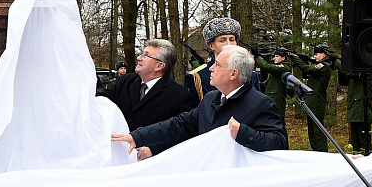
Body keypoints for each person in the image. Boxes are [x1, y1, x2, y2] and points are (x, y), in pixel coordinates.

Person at [112, 45, 287, 158]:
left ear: (234, 74)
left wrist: (243, 133)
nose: (210, 68)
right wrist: (138, 136)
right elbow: (179, 125)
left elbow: (279, 144)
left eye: (217, 65)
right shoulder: (211, 98)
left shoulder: (261, 103)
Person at [98, 39, 194, 158]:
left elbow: (183, 132)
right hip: (116, 154)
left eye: (146, 55)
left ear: (159, 66)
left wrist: (154, 149)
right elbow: (103, 101)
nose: (139, 58)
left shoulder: (180, 95)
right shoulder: (125, 81)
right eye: (142, 53)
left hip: (148, 162)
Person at [184, 17, 260, 104]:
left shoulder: (251, 75)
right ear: (211, 45)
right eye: (222, 40)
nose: (228, 44)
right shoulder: (196, 77)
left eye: (232, 40)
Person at [290, 44, 333, 152]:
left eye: (317, 54)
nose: (315, 56)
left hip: (317, 103)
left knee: (318, 132)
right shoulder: (318, 66)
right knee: (312, 132)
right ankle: (316, 151)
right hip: (312, 102)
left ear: (323, 54)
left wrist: (295, 57)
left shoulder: (324, 66)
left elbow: (307, 69)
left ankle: (323, 153)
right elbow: (306, 73)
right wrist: (303, 60)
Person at [335, 60, 372, 154]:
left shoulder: (367, 67)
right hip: (353, 105)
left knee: (364, 141)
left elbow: (350, 73)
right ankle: (356, 155)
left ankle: (365, 157)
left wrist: (337, 62)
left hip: (361, 106)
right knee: (355, 140)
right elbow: (344, 79)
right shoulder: (355, 68)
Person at [254, 48, 292, 130]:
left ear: (283, 58)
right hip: (272, 97)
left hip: (277, 99)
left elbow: (266, 66)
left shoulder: (284, 67)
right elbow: (264, 74)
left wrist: (258, 57)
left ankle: (282, 141)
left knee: (279, 122)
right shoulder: (277, 67)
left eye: (277, 56)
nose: (274, 58)